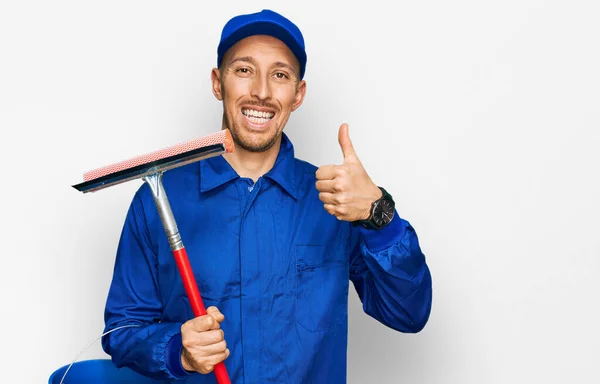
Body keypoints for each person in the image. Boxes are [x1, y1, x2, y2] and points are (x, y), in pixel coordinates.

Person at [101, 8, 433, 383]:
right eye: (244, 70)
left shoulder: (336, 201)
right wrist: (178, 351)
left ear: (298, 94)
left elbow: (409, 314)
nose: (261, 91)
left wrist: (379, 216)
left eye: (280, 75)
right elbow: (121, 331)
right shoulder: (159, 200)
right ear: (217, 83)